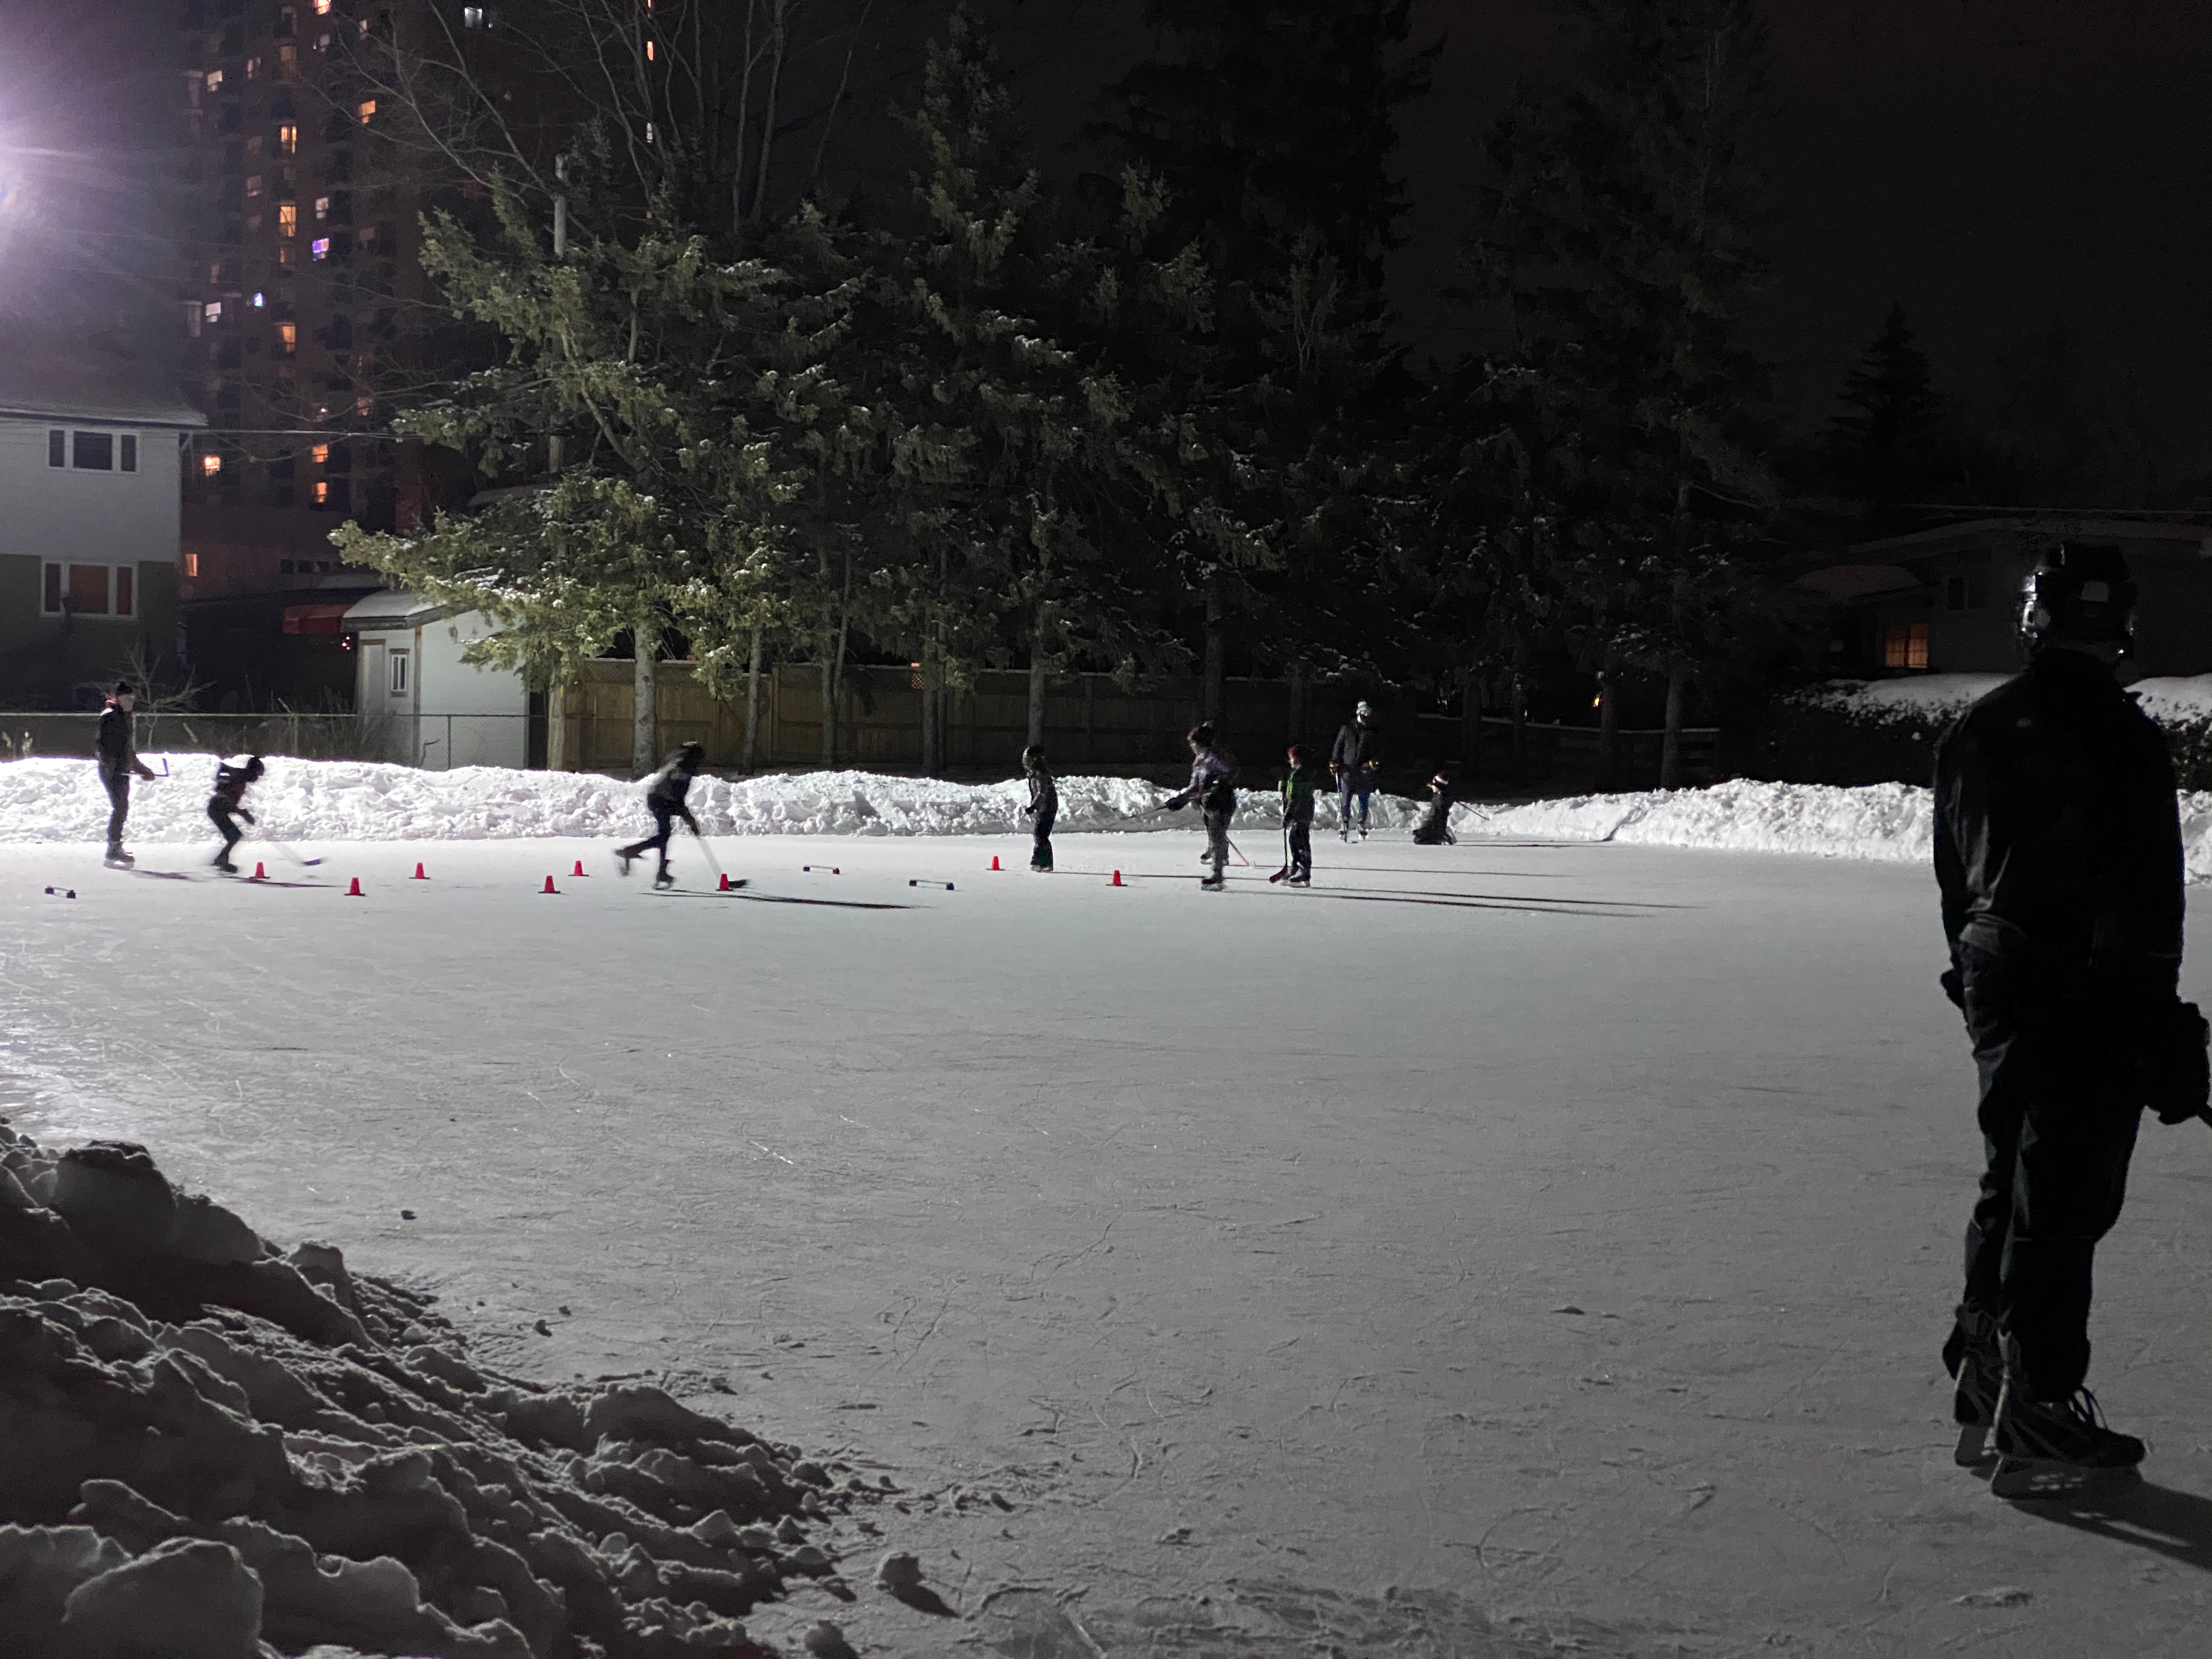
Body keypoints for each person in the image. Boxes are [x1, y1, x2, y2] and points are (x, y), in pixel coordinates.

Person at [1933, 541, 2209, 1499]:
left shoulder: (1979, 725)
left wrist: (1970, 972)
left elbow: (1954, 870)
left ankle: (1985, 1369)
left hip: (2000, 973)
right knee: (2063, 1191)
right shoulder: (2121, 737)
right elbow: (2142, 892)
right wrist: (2162, 1024)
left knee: (2012, 1169)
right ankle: (2035, 1401)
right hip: (2086, 987)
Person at [616, 741, 706, 889]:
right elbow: (678, 799)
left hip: (660, 797)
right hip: (660, 799)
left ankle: (661, 872)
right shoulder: (683, 770)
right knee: (664, 835)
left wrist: (689, 820)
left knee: (665, 834)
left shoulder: (678, 763)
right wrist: (690, 821)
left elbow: (677, 799)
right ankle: (631, 851)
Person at [1163, 723, 1239, 889]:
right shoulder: (1199, 761)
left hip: (1222, 802)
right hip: (1208, 804)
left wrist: (1219, 783)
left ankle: (1217, 875)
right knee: (1214, 835)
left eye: (1193, 743)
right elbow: (1195, 786)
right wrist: (1181, 799)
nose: (1192, 746)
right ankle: (1217, 861)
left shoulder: (1216, 757)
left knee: (1218, 836)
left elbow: (1231, 770)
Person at [95, 682, 159, 868]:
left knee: (122, 807)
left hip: (122, 769)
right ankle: (113, 847)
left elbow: (127, 750)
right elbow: (102, 746)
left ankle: (115, 845)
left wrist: (141, 769)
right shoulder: (109, 717)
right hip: (112, 770)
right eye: (128, 698)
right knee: (120, 806)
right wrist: (111, 766)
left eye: (133, 698)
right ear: (119, 698)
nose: (131, 702)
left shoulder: (124, 718)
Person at [1330, 699, 1381, 842]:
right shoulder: (1347, 729)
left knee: (1364, 797)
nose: (1366, 716)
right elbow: (1338, 746)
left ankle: (1361, 823)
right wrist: (1334, 762)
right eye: (1363, 713)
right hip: (1348, 768)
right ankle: (1345, 822)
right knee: (1346, 796)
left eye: (1368, 714)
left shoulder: (1372, 732)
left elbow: (1378, 750)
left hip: (1365, 769)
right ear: (1358, 713)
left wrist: (1374, 762)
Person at [207, 754, 267, 873]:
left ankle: (221, 859)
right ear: (252, 772)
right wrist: (243, 813)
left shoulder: (240, 777)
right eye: (257, 775)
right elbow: (225, 799)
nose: (257, 779)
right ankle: (221, 860)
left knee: (234, 836)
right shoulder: (238, 779)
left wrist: (242, 813)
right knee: (234, 835)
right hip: (217, 809)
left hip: (218, 809)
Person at [1280, 743, 1317, 885]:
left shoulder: (1298, 775)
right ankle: (1295, 867)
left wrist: (1288, 814)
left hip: (1299, 812)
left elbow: (1295, 797)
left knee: (1299, 841)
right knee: (1296, 839)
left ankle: (1303, 872)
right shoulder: (1305, 772)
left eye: (1291, 758)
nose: (1290, 761)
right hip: (1306, 810)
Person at [1020, 744, 1058, 872]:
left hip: (1048, 806)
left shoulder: (1040, 773)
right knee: (1039, 834)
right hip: (1044, 806)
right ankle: (1040, 861)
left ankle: (1044, 862)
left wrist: (1034, 806)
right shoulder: (1035, 772)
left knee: (1041, 834)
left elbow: (1043, 792)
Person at [1411, 771, 1457, 846]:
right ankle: (1443, 834)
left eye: (1434, 785)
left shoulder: (1440, 801)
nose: (1432, 788)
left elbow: (1433, 817)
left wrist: (1422, 830)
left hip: (1435, 828)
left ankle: (1442, 837)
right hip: (1437, 826)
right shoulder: (1442, 797)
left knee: (1419, 841)